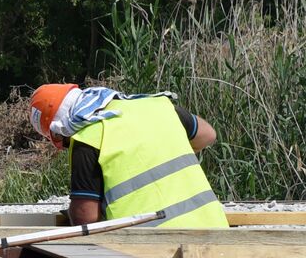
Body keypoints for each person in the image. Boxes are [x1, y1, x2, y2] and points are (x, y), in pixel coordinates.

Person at [29, 83, 228, 228]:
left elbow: (86, 218)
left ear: (59, 131)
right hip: (213, 229)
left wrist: (74, 212)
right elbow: (207, 135)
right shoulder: (158, 106)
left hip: (147, 247)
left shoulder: (87, 138)